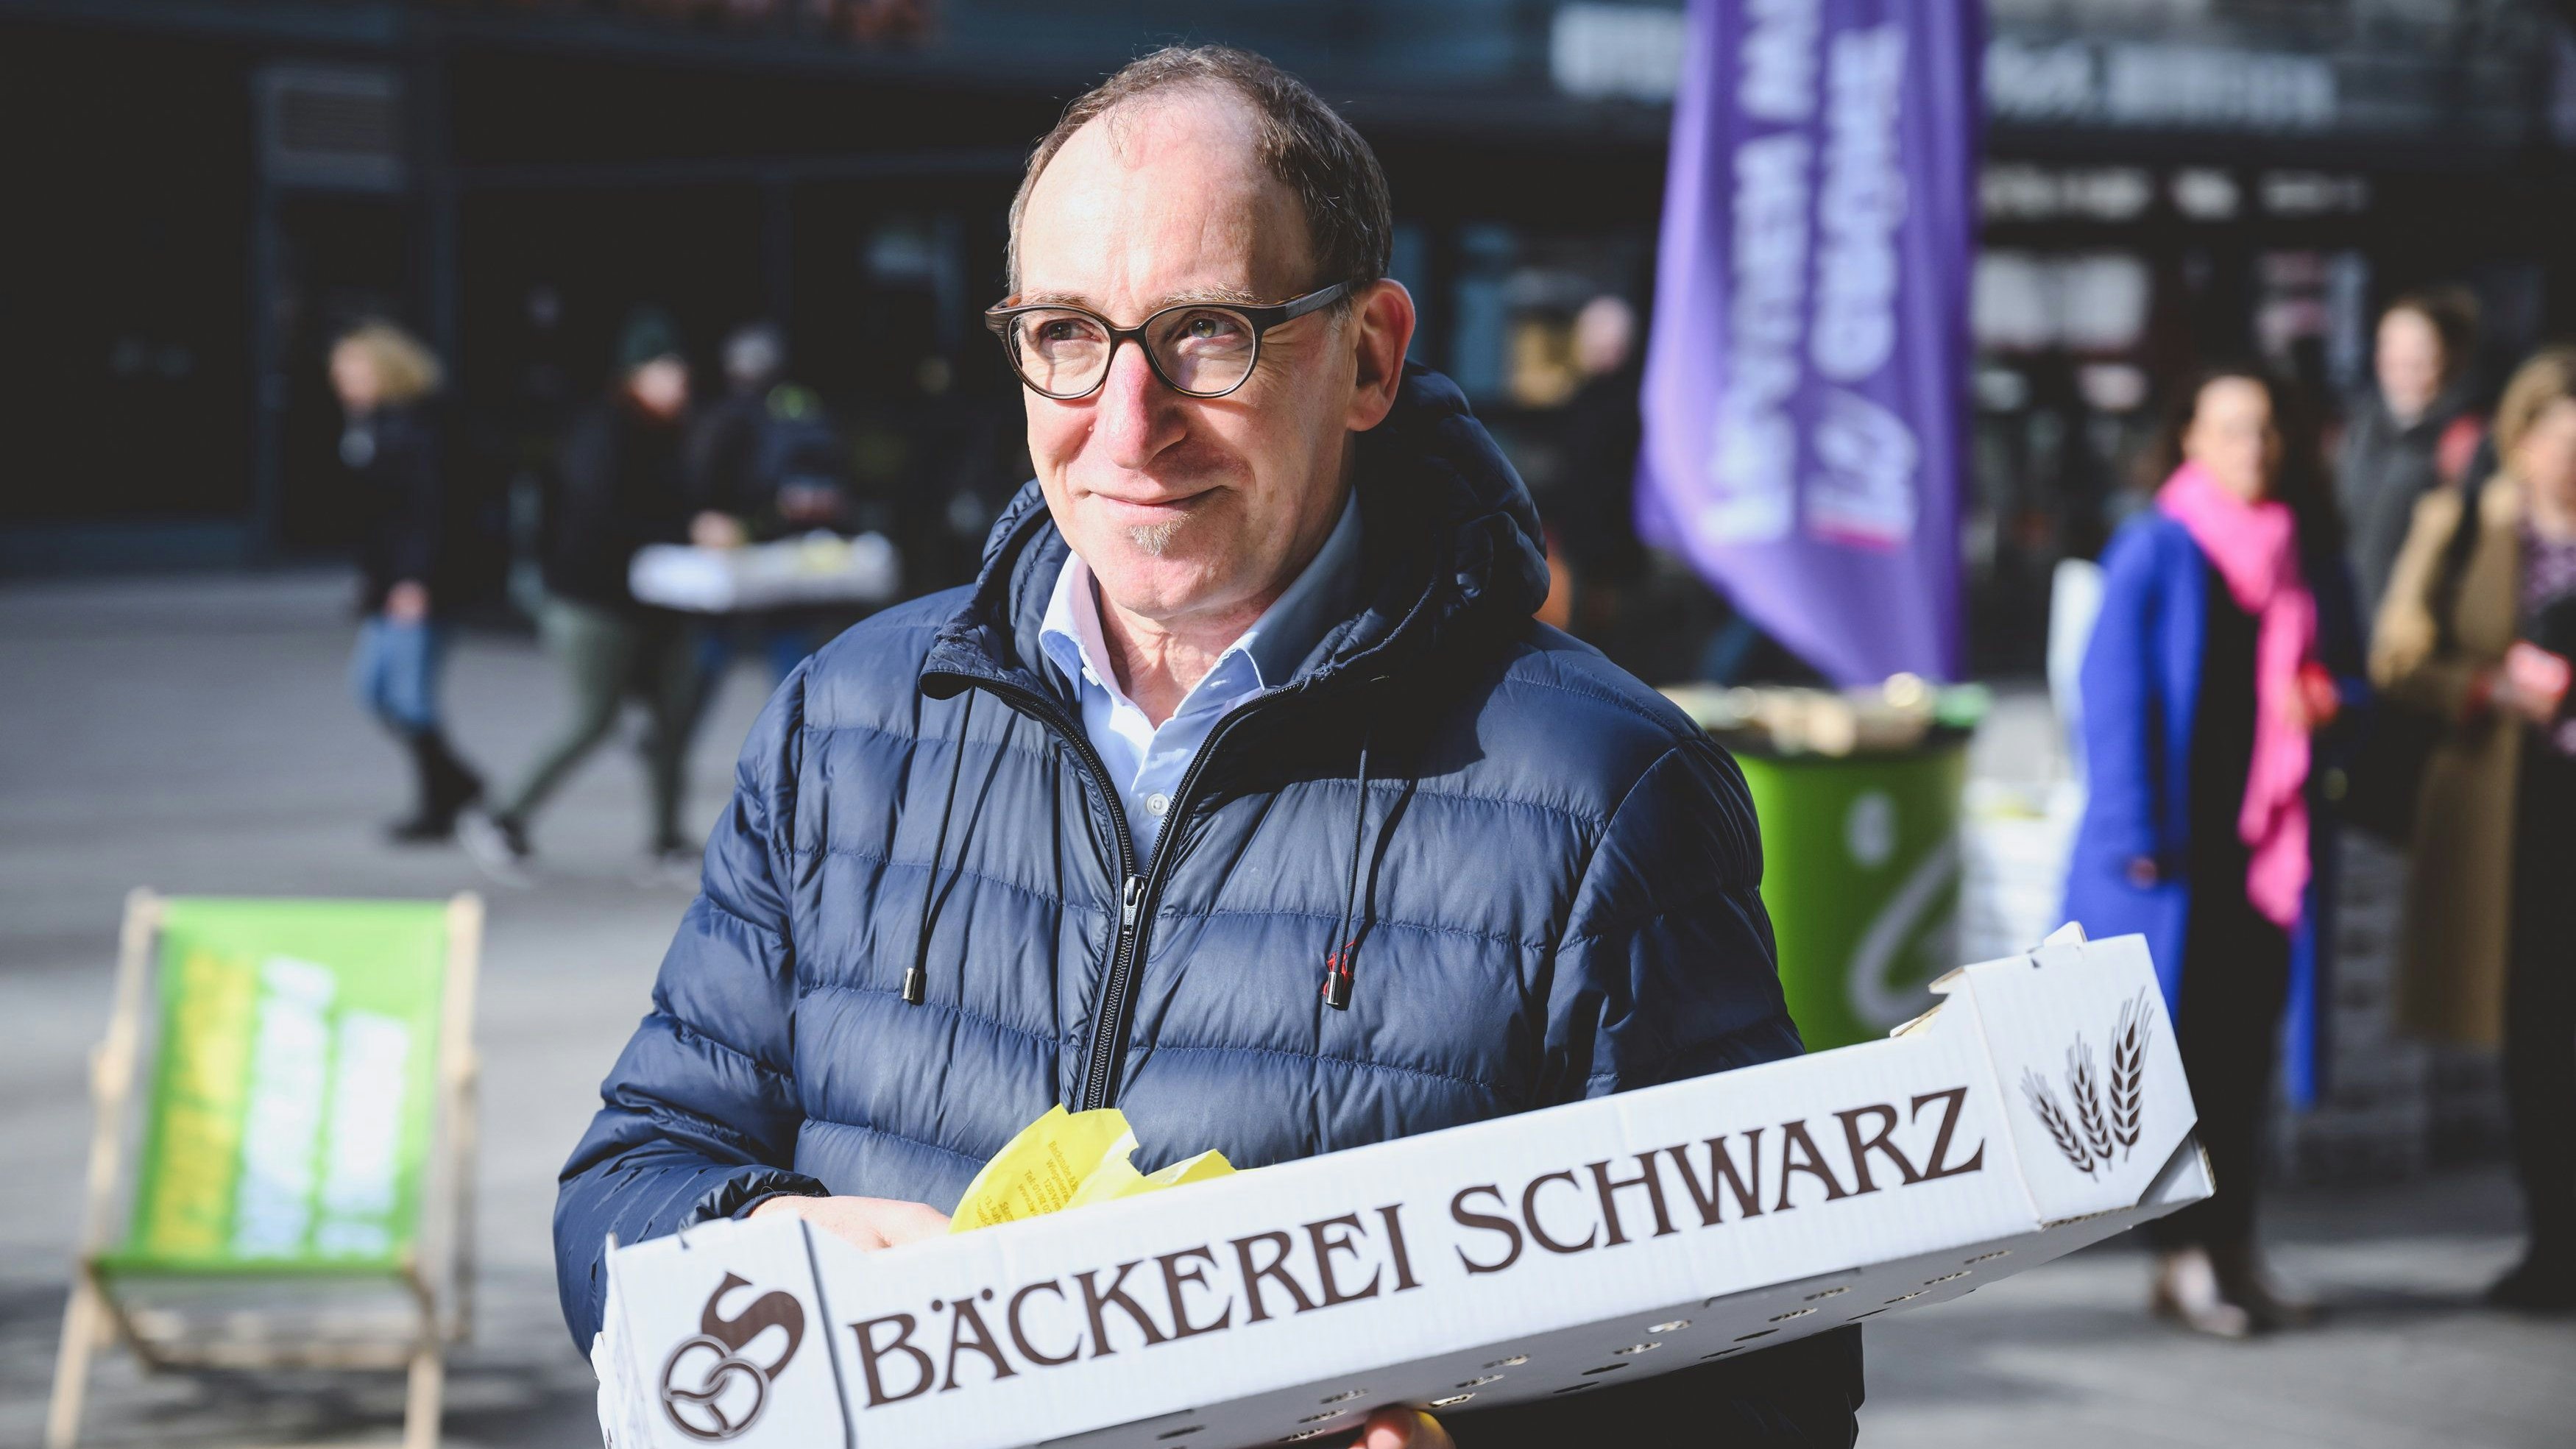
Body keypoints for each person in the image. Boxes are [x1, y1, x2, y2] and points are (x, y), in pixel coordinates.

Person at [553, 46, 1861, 1447]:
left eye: (1207, 332)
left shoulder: (1605, 798)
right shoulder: (850, 722)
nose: (1131, 425)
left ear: (1369, 356)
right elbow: (625, 1187)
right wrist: (763, 1242)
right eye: (1067, 332)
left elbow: (1768, 1377)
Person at [2062, 366, 2366, 1338]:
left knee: (2242, 1060)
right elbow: (2108, 696)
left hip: (2265, 860)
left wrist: (2330, 698)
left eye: (2266, 428)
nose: (2253, 446)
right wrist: (2132, 835)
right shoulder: (2155, 545)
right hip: (2170, 865)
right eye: (2231, 427)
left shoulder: (2307, 552)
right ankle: (2182, 1257)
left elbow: (2355, 677)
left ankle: (2235, 1249)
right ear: (2189, 439)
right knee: (2170, 1068)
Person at [2372, 346, 2576, 1311]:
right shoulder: (2465, 521)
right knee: (2535, 1028)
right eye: (2557, 440)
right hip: (2516, 809)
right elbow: (2397, 653)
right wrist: (2487, 688)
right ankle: (2552, 1240)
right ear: (2520, 440)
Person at [463, 308, 707, 882]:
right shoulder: (603, 431)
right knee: (594, 718)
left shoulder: (674, 430)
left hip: (661, 603)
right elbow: (605, 515)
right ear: (634, 375)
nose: (678, 384)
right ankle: (502, 817)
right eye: (665, 372)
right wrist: (686, 532)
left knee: (674, 718)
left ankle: (667, 839)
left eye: (681, 372)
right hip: (594, 603)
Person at [332, 321, 486, 843]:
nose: (345, 382)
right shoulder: (372, 423)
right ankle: (458, 783)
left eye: (356, 371)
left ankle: (440, 803)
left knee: (408, 697)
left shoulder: (419, 425)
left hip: (417, 586)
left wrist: (415, 581)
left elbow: (429, 511)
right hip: (388, 583)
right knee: (375, 690)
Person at [2339, 288, 2483, 616]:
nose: (2404, 360)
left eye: (2419, 348)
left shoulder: (2468, 438)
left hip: (2415, 629)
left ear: (2449, 355)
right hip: (2347, 620)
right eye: (2391, 345)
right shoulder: (2357, 427)